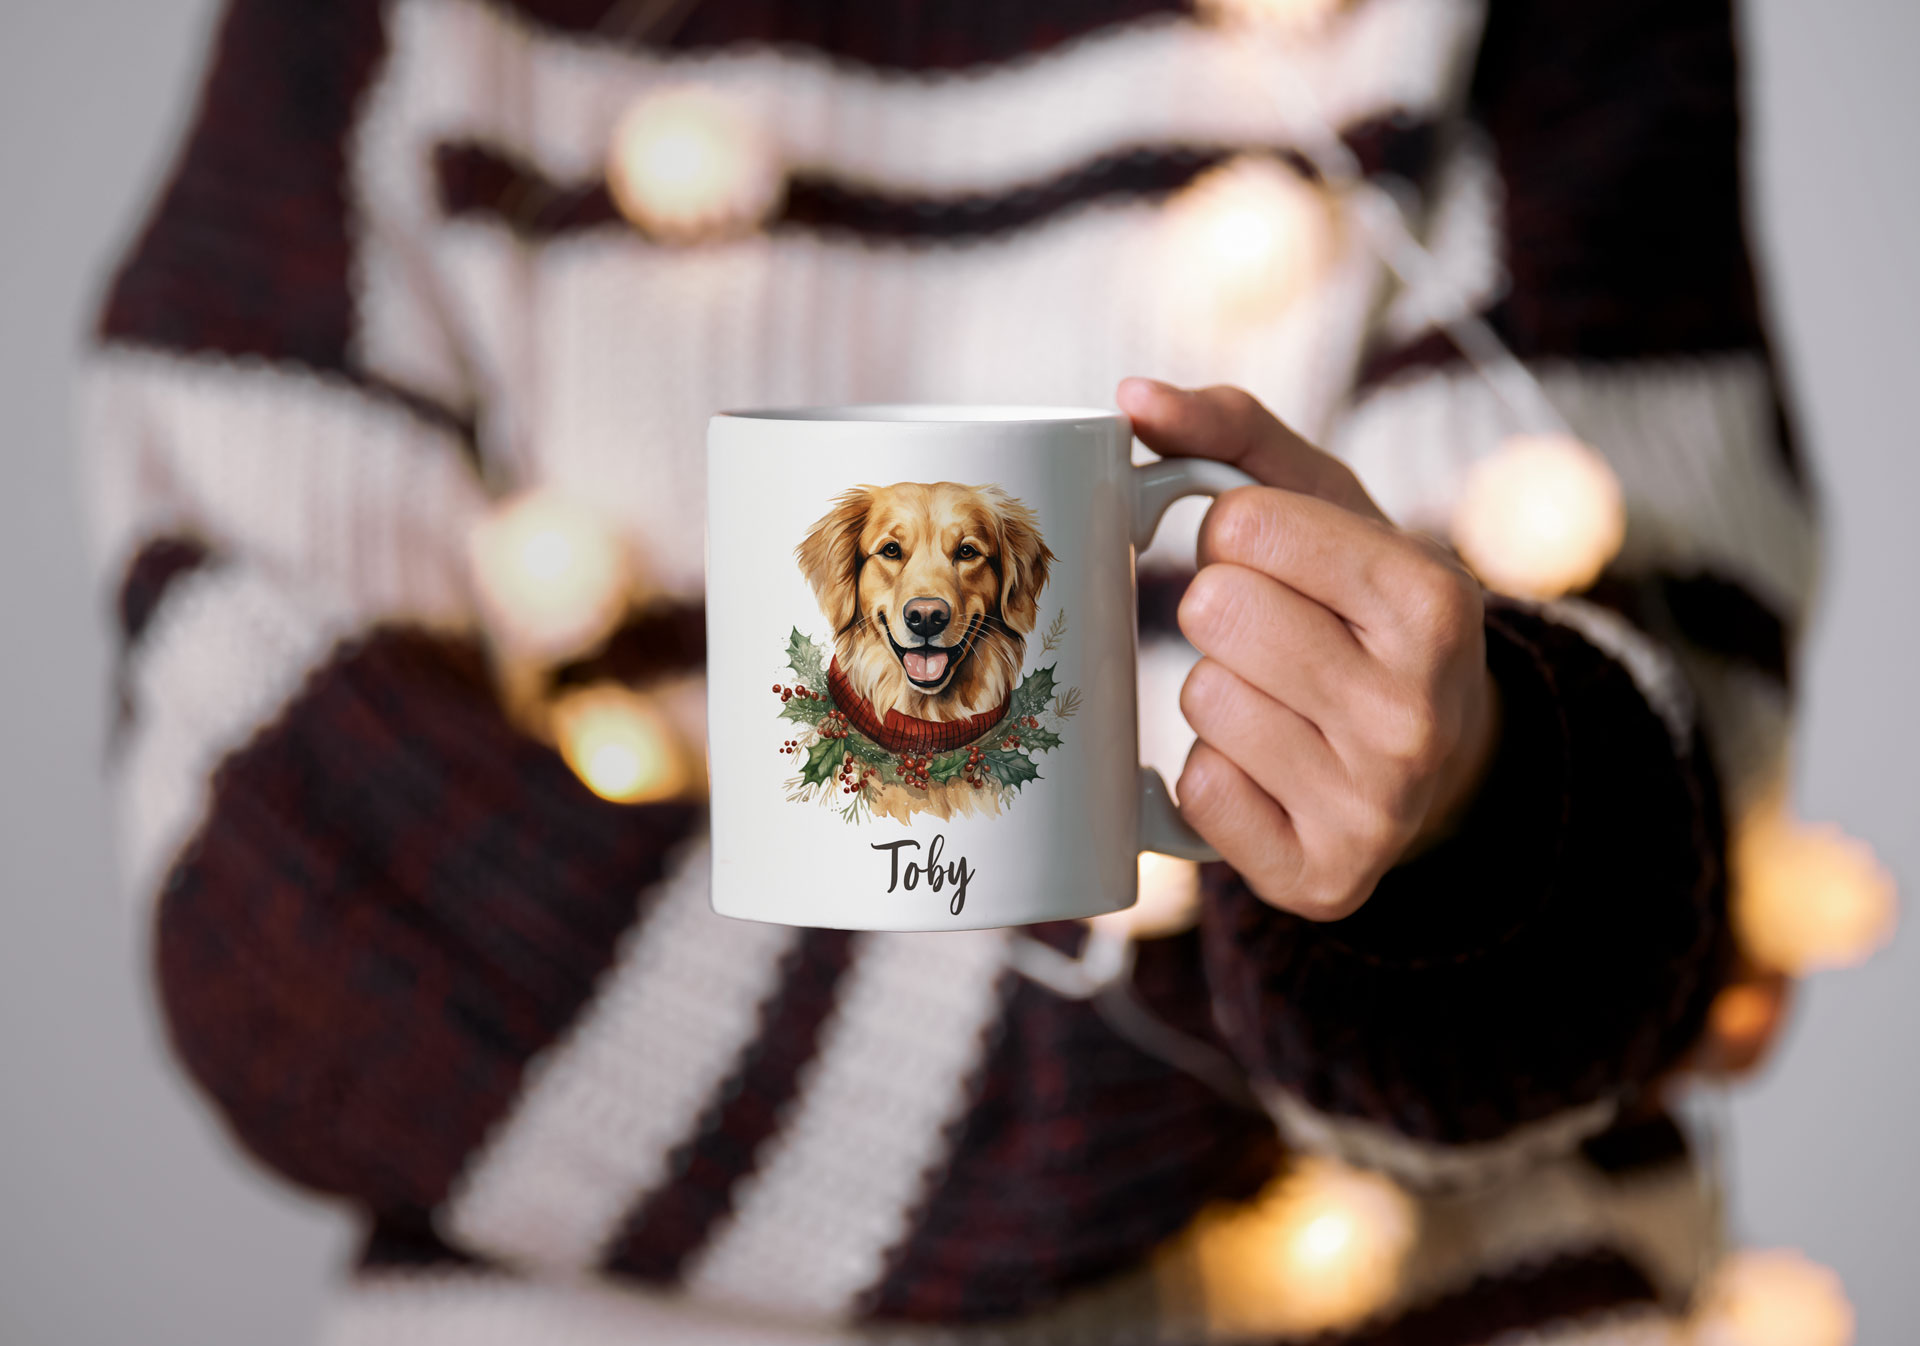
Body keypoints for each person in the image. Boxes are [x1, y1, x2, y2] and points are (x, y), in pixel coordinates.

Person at [85, 0, 1812, 1340]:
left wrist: (1464, 811)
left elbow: (1670, 801)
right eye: (890, 567)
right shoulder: (390, 33)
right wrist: (1146, 1089)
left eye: (962, 564)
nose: (921, 605)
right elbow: (279, 855)